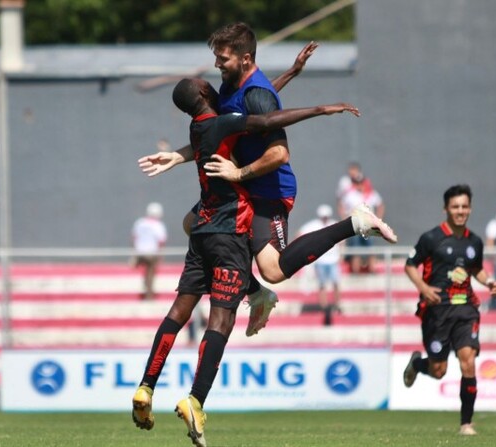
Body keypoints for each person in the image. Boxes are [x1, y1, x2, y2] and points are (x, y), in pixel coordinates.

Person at [133, 77, 396, 447]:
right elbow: (266, 119)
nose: (213, 72)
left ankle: (146, 387)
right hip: (230, 229)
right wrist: (322, 108)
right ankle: (195, 399)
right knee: (223, 318)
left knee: (180, 307)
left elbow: (256, 95)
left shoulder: (197, 128)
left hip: (203, 231)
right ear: (206, 95)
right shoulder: (223, 122)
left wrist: (290, 74)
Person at [402, 184, 496, 436]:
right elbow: (410, 265)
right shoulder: (431, 238)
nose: (460, 211)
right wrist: (423, 288)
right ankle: (417, 364)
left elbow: (476, 268)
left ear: (470, 208)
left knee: (468, 362)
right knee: (439, 370)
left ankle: (466, 424)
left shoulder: (474, 241)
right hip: (437, 311)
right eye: (455, 206)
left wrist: (488, 281)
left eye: (465, 206)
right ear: (446, 208)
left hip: (466, 309)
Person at [336, 161, 385, 273]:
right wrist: (344, 218)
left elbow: (380, 205)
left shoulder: (371, 193)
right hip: (355, 225)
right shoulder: (350, 194)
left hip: (369, 225)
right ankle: (356, 271)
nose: (359, 184)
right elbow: (341, 205)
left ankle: (372, 270)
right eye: (356, 182)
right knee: (355, 250)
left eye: (360, 182)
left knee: (371, 249)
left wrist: (378, 219)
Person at [297, 204, 341, 312]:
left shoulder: (333, 224)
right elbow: (299, 234)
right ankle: (324, 306)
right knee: (322, 284)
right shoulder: (314, 225)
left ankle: (336, 305)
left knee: (335, 283)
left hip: (332, 260)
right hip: (321, 260)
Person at [131, 202, 167, 299]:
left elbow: (134, 237)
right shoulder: (158, 225)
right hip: (151, 253)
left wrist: (135, 252)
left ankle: (136, 262)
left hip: (139, 252)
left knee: (144, 269)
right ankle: (149, 295)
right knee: (151, 272)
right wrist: (160, 255)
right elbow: (161, 241)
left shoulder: (140, 222)